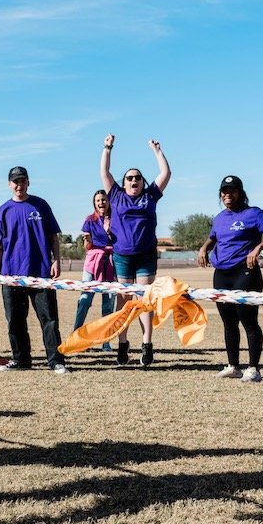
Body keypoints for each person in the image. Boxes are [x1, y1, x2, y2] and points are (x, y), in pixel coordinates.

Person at [197, 176, 263, 383]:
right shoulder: (219, 218)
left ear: (240, 193)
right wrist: (204, 247)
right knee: (228, 322)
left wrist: (258, 247)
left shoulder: (253, 213)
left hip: (245, 273)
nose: (227, 194)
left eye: (232, 191)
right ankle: (233, 366)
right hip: (221, 274)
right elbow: (214, 236)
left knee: (248, 321)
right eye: (224, 191)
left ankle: (253, 369)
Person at [100, 134, 172, 367]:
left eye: (138, 178)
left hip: (146, 256)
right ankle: (123, 344)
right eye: (129, 178)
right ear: (124, 182)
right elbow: (105, 173)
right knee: (124, 300)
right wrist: (107, 148)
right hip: (122, 256)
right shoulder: (117, 195)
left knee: (144, 300)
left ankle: (146, 344)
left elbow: (165, 174)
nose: (134, 181)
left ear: (142, 182)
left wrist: (157, 151)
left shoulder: (150, 196)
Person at [0, 166, 69, 374]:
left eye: (22, 181)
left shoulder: (40, 205)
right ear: (9, 184)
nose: (19, 185)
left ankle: (55, 360)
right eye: (15, 181)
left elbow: (53, 236)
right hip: (11, 275)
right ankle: (21, 359)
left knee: (49, 319)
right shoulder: (3, 210)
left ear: (28, 183)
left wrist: (56, 260)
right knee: (15, 320)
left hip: (41, 272)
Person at [73, 190, 116, 351]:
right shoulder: (89, 220)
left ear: (109, 201)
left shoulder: (116, 219)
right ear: (94, 203)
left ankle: (106, 342)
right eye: (98, 200)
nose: (101, 203)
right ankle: (75, 338)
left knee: (108, 304)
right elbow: (87, 247)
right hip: (92, 263)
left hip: (111, 263)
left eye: (103, 199)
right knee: (84, 301)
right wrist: (88, 241)